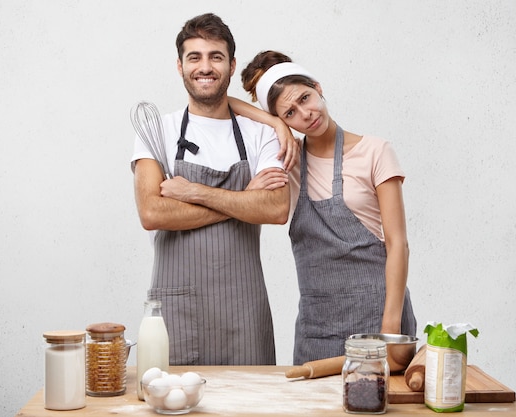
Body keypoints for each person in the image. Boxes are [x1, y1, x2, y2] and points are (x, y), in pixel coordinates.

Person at [130, 15, 292, 366]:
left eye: (216, 57)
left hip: (243, 311)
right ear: (180, 66)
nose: (205, 67)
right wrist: (245, 197)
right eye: (195, 57)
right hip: (177, 310)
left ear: (232, 65)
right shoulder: (157, 130)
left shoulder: (260, 133)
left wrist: (192, 192)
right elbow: (152, 213)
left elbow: (277, 209)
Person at [239, 51, 417, 365]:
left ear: (318, 88)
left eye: (305, 98)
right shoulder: (288, 165)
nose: (305, 114)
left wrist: (389, 329)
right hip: (317, 330)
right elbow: (227, 103)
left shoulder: (375, 151)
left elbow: (398, 244)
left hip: (378, 318)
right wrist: (274, 125)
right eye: (290, 113)